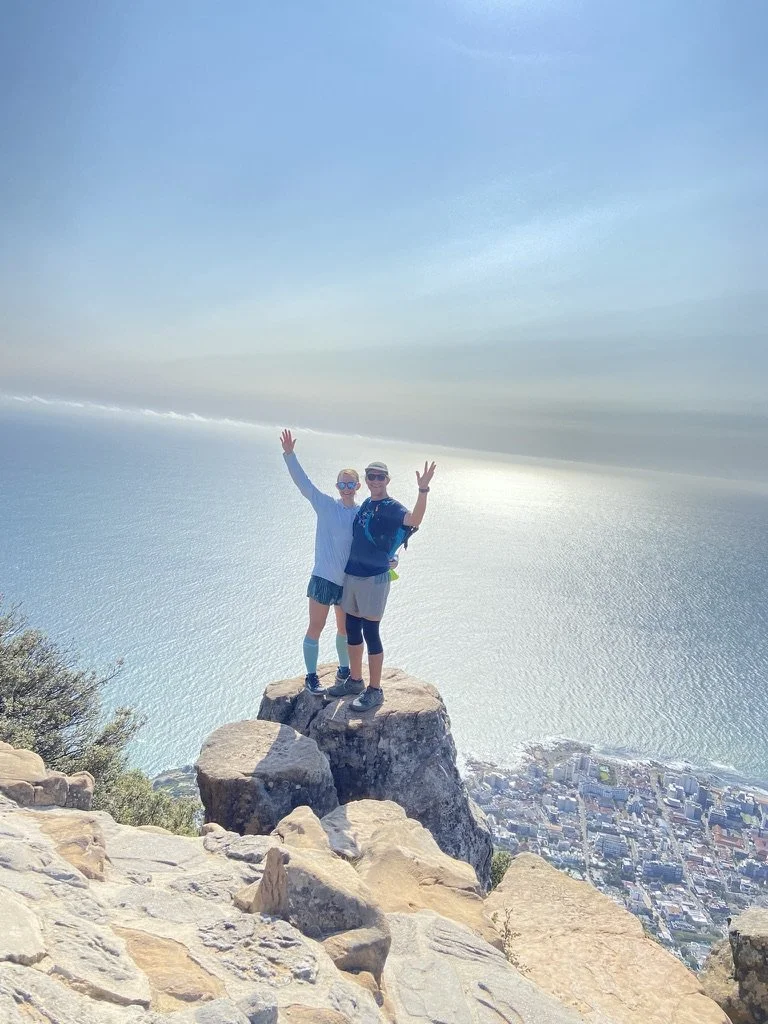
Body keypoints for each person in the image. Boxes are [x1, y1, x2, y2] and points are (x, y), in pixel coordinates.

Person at [325, 458, 436, 711]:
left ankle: (375, 690)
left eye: (380, 477)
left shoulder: (391, 507)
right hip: (352, 574)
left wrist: (423, 490)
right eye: (371, 477)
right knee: (352, 628)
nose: (375, 481)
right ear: (366, 481)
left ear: (387, 480)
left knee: (370, 632)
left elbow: (414, 519)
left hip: (374, 578)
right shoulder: (365, 504)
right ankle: (355, 681)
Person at [280, 428, 360, 694]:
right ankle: (312, 676)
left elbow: (375, 540)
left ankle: (344, 669)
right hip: (324, 577)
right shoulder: (326, 505)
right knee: (316, 626)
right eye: (342, 484)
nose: (346, 488)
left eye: (351, 484)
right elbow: (304, 484)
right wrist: (290, 455)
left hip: (346, 581)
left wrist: (391, 557)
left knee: (344, 629)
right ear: (337, 487)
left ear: (357, 487)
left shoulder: (361, 514)